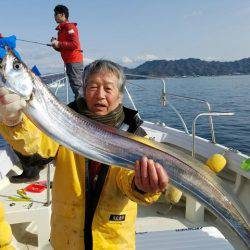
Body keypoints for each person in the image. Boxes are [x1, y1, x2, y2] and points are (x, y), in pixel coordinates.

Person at [0, 60, 169, 249]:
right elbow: (37, 146)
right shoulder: (63, 122)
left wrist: (140, 185)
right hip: (66, 240)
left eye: (108, 88)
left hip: (112, 242)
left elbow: (127, 179)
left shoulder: (135, 136)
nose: (100, 95)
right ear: (83, 90)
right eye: (93, 87)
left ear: (120, 96)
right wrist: (14, 122)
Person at [0, 34, 47, 182]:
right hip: (16, 97)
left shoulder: (5, 53)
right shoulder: (8, 48)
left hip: (17, 97)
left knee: (20, 131)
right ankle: (31, 169)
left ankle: (31, 170)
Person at [51, 5, 84, 99]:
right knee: (75, 86)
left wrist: (59, 43)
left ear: (62, 14)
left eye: (55, 14)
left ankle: (83, 110)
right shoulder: (61, 30)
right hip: (69, 61)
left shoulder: (69, 27)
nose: (54, 16)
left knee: (78, 87)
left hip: (74, 60)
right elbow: (61, 48)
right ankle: (81, 107)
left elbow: (75, 44)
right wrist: (55, 45)